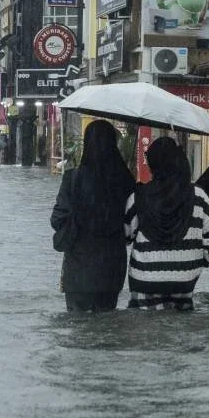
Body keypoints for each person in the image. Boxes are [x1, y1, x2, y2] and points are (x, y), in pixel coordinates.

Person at [124, 137, 209, 311]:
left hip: (145, 280)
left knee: (145, 332)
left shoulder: (138, 197)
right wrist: (198, 263)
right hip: (185, 282)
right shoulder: (199, 196)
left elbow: (126, 235)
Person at [50, 120, 135, 312]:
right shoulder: (125, 179)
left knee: (78, 330)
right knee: (107, 327)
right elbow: (132, 223)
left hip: (79, 267)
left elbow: (57, 219)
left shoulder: (73, 178)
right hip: (112, 267)